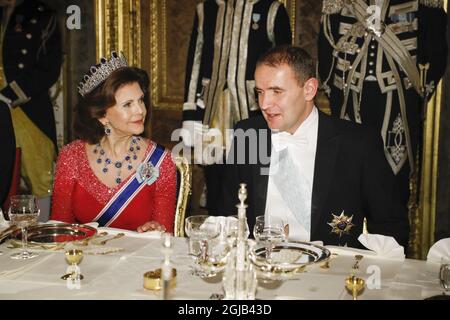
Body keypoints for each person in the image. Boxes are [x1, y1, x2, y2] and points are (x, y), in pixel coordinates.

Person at [216, 45, 409, 248]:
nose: (264, 103)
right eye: (260, 92)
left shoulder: (358, 143)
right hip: (260, 271)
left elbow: (392, 227)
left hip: (330, 274)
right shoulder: (247, 135)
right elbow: (226, 215)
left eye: (276, 91)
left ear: (309, 90)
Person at [318, 0, 447, 206]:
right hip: (349, 97)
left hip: (398, 99)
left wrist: (418, 95)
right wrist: (332, 90)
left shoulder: (422, 3)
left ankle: (390, 232)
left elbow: (436, 50)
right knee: (347, 173)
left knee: (393, 179)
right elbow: (326, 43)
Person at [181, 0, 292, 213]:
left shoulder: (270, 10)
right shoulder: (207, 9)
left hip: (255, 109)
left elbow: (284, 65)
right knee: (215, 179)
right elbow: (195, 62)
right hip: (213, 109)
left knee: (254, 176)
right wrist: (190, 114)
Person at [51, 52, 177, 233]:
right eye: (128, 104)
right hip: (84, 259)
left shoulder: (161, 160)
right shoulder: (71, 156)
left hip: (139, 260)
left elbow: (165, 236)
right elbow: (59, 230)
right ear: (103, 115)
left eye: (141, 100)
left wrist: (156, 230)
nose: (140, 110)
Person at [0, 0, 62, 201]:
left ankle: (43, 229)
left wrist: (9, 95)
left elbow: (49, 69)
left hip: (26, 106)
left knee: (41, 179)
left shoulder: (42, 15)